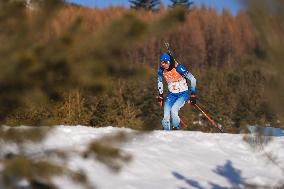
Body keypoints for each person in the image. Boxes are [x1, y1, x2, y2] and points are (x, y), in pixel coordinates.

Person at [157, 52, 197, 130]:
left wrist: (193, 94)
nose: (163, 64)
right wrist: (160, 95)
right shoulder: (161, 71)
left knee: (174, 110)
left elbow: (193, 79)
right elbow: (160, 82)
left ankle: (176, 128)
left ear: (170, 61)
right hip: (171, 95)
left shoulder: (178, 68)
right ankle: (166, 133)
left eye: (165, 62)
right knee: (166, 116)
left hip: (183, 94)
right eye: (162, 62)